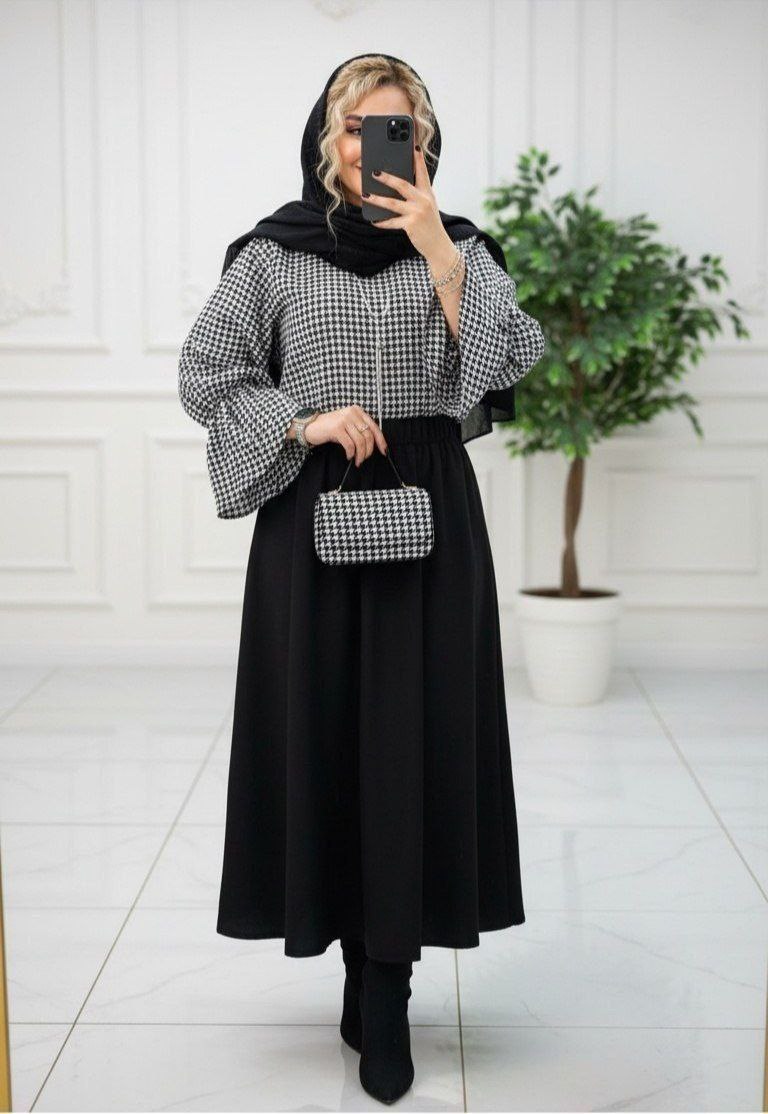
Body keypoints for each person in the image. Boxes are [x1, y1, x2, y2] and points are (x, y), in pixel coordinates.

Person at [178, 51, 545, 1107]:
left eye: (400, 130)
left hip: (432, 522)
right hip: (313, 520)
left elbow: (508, 364)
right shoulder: (273, 255)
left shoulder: (461, 247)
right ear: (326, 140)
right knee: (329, 739)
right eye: (359, 127)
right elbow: (206, 372)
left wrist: (441, 258)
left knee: (418, 744)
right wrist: (302, 420)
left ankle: (390, 983)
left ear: (424, 144)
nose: (377, 147)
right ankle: (351, 957)